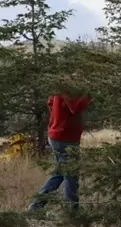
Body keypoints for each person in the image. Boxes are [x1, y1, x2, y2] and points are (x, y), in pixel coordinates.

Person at [28, 79, 92, 213]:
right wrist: (87, 95)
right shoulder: (70, 88)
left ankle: (36, 206)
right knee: (71, 174)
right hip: (65, 138)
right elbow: (75, 108)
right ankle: (72, 212)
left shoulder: (61, 85)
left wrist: (58, 117)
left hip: (56, 135)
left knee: (60, 173)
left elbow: (50, 102)